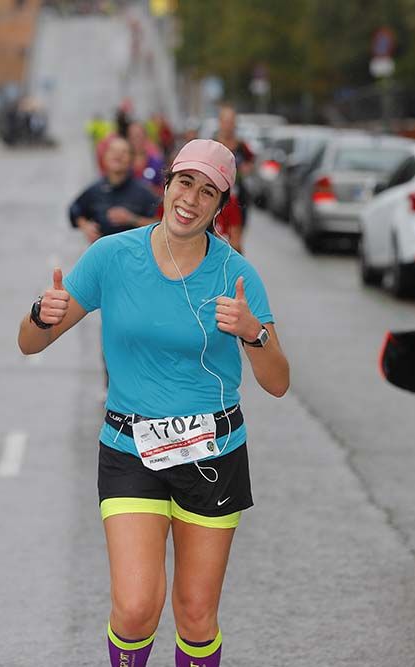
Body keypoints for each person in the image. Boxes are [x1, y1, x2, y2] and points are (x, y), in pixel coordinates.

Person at [21, 139, 290, 666]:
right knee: (136, 606)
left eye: (208, 191)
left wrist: (254, 334)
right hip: (129, 448)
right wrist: (40, 312)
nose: (191, 198)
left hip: (213, 453)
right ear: (165, 186)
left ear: (220, 206)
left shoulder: (237, 275)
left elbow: (278, 382)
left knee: (194, 614)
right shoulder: (111, 256)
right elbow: (30, 343)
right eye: (184, 182)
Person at [69, 136, 159, 244]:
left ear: (131, 159)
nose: (118, 155)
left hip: (134, 255)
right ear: (104, 157)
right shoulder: (95, 189)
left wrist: (133, 219)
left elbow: (161, 224)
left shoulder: (144, 192)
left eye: (124, 152)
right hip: (102, 254)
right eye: (113, 151)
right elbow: (74, 209)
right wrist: (85, 226)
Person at [213, 104, 255, 236]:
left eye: (231, 122)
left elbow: (251, 162)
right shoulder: (212, 145)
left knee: (236, 238)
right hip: (218, 197)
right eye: (225, 121)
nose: (228, 125)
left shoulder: (241, 145)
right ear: (220, 122)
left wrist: (246, 168)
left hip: (238, 198)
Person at [127, 121, 165, 196]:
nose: (136, 140)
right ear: (128, 139)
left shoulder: (156, 162)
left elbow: (165, 189)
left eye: (139, 136)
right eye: (132, 137)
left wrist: (150, 189)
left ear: (145, 137)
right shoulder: (124, 164)